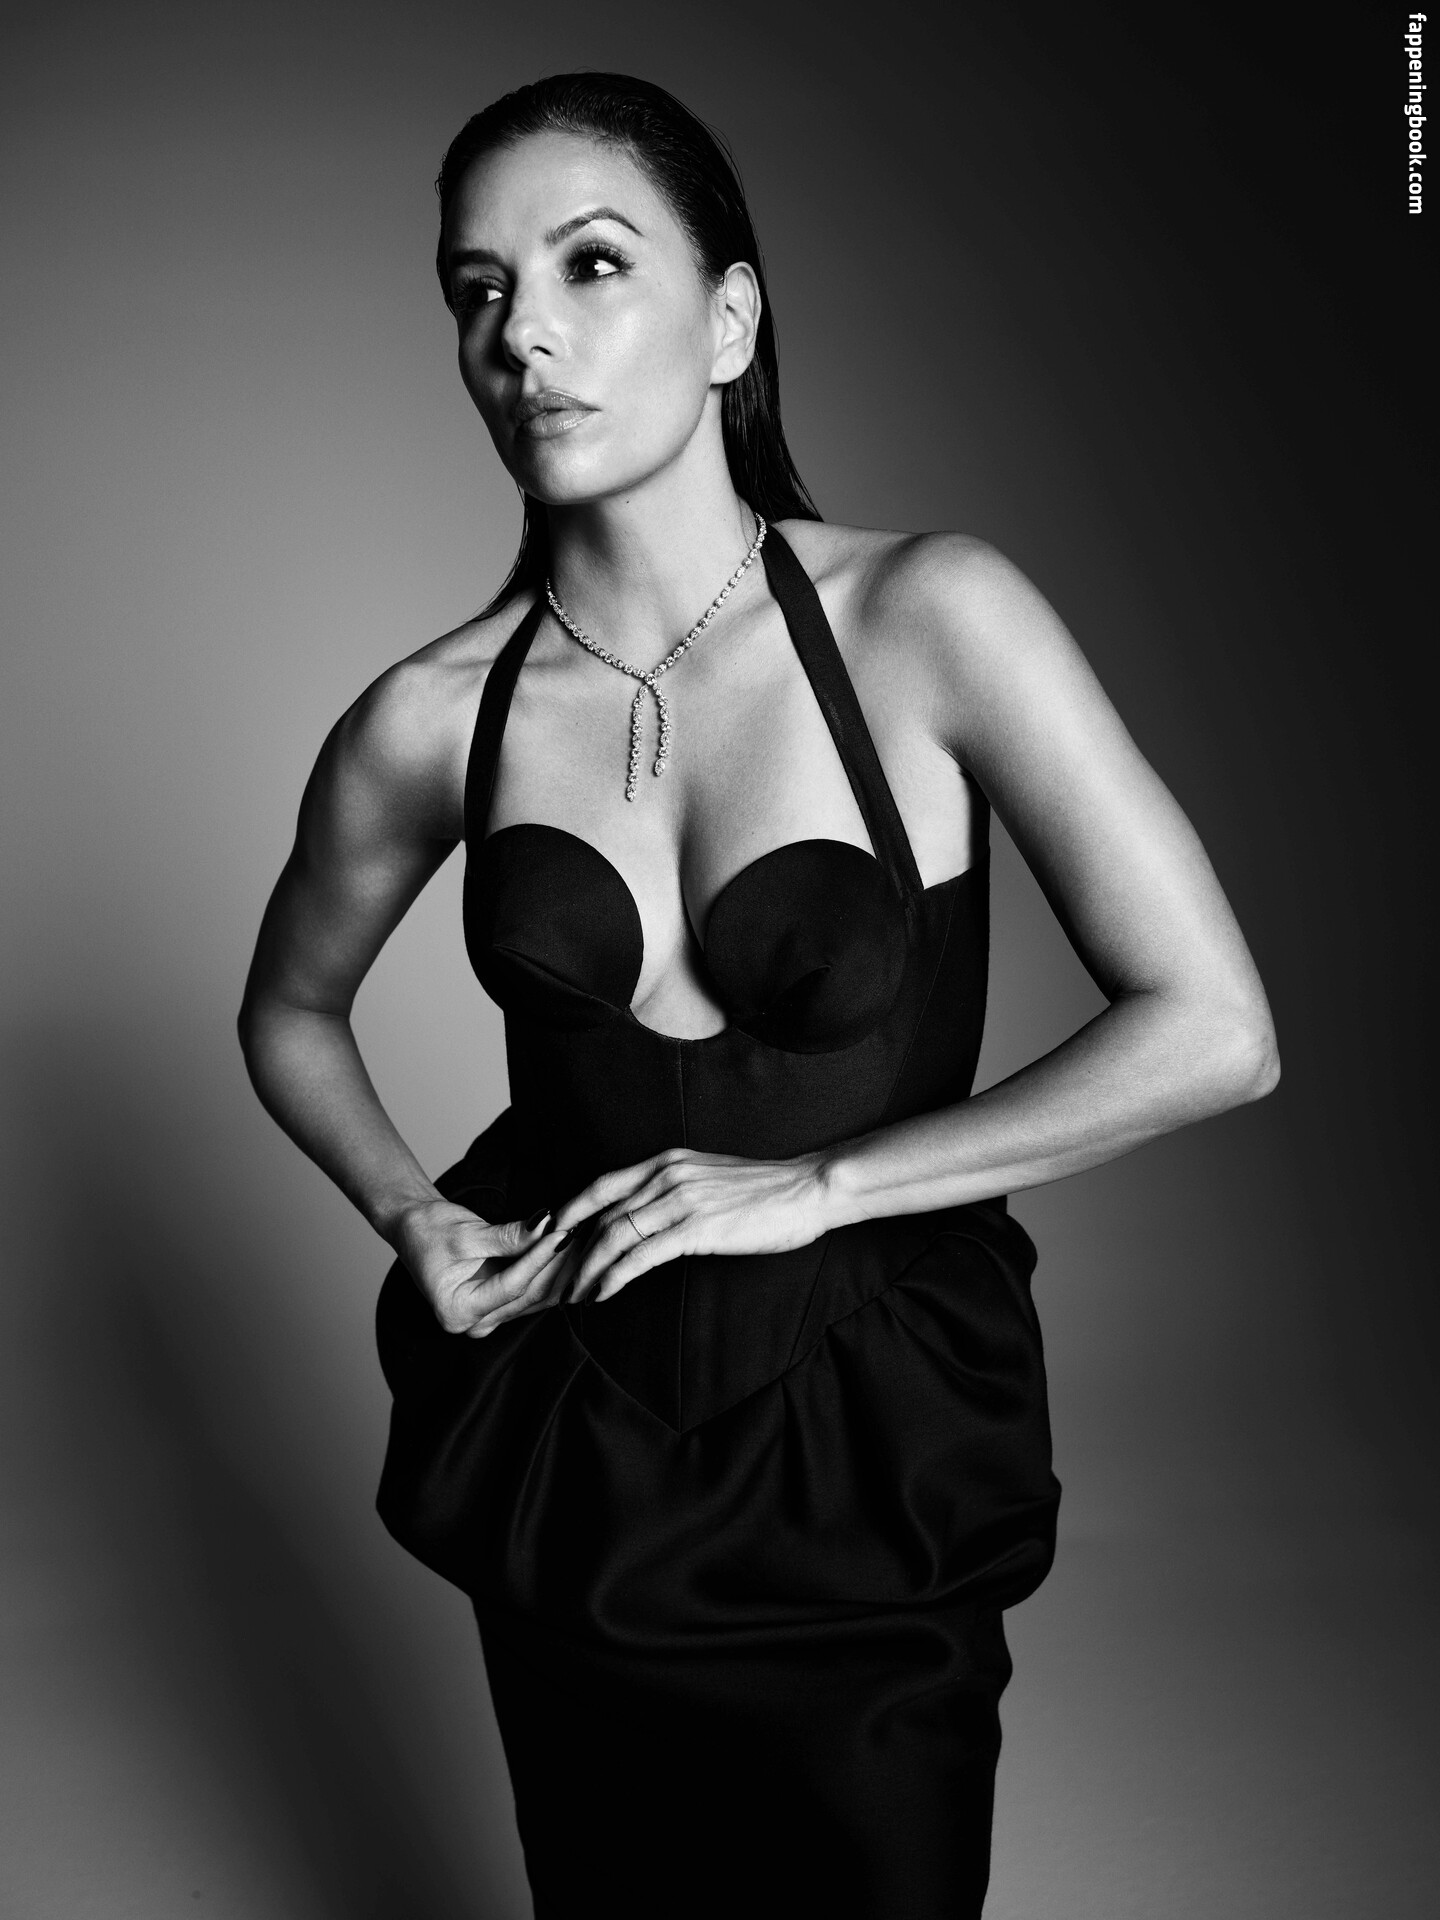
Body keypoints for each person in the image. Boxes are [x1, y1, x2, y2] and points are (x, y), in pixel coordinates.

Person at [238, 71, 1278, 1920]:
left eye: (589, 265)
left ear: (730, 320)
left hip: (868, 1449)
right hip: (577, 1452)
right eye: (478, 291)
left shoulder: (931, 619)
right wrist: (411, 1212)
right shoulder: (430, 717)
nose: (522, 335)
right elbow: (290, 1014)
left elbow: (1215, 1028)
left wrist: (816, 1188)